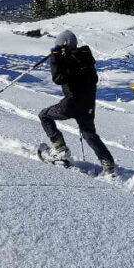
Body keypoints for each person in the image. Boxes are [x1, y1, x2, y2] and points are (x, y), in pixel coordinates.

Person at [39, 29, 116, 177]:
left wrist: (56, 58)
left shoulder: (70, 60)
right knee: (89, 134)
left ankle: (60, 150)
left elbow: (58, 79)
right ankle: (108, 164)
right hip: (88, 105)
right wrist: (62, 56)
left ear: (63, 46)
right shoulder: (84, 58)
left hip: (71, 104)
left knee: (44, 115)